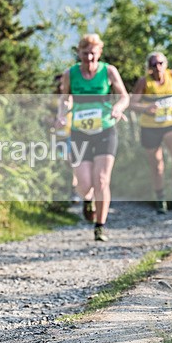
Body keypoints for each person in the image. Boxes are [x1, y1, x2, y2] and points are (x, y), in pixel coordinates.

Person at [56, 34, 129, 242]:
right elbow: (65, 98)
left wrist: (117, 107)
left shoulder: (109, 71)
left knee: (102, 179)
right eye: (85, 53)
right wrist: (62, 115)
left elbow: (124, 96)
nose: (89, 58)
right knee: (84, 183)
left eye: (93, 54)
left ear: (100, 53)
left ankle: (100, 226)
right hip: (80, 132)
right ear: (79, 53)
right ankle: (87, 200)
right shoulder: (70, 74)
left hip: (105, 129)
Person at [130, 52, 172, 213]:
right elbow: (132, 104)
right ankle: (160, 198)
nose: (158, 67)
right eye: (154, 64)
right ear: (149, 68)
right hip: (150, 127)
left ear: (166, 64)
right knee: (157, 165)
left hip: (171, 123)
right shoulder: (144, 82)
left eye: (161, 63)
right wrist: (146, 109)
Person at [49, 74, 80, 203]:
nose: (62, 86)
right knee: (59, 162)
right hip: (55, 135)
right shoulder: (52, 99)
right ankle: (59, 191)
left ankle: (74, 190)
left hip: (71, 134)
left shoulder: (74, 98)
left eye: (65, 83)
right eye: (60, 84)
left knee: (71, 161)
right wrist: (53, 122)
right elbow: (46, 116)